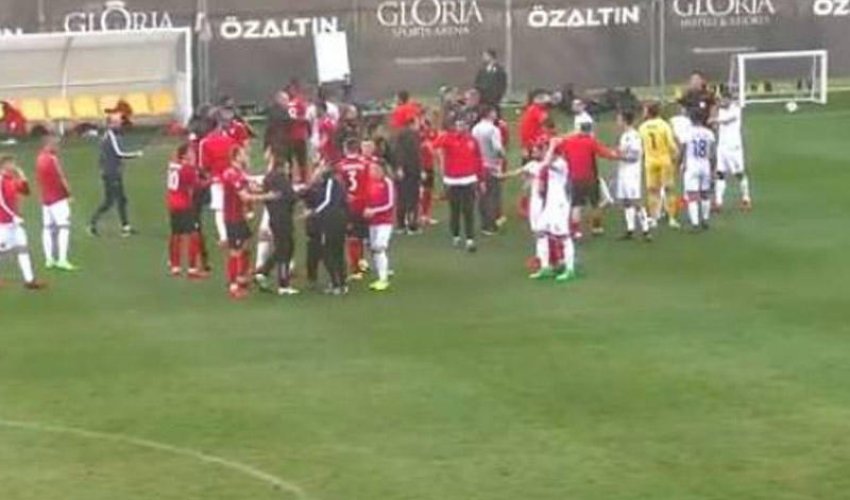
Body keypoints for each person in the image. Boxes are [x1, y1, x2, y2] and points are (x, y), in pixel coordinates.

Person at [553, 123, 619, 239]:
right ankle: (597, 227)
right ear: (590, 131)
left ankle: (576, 230)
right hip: (590, 178)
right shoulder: (591, 142)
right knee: (595, 203)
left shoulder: (569, 142)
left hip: (575, 178)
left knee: (576, 204)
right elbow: (605, 153)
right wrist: (617, 154)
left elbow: (558, 147)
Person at [433, 118, 484, 252]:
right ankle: (455, 235)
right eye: (458, 125)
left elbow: (478, 159)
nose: (461, 127)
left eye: (463, 124)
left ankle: (470, 239)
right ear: (455, 126)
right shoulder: (448, 138)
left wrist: (481, 179)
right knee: (454, 210)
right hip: (453, 181)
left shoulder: (472, 140)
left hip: (469, 179)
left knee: (469, 210)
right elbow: (435, 145)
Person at [88, 113, 143, 237]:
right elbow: (119, 153)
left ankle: (125, 227)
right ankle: (93, 224)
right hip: (111, 173)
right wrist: (136, 154)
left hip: (112, 172)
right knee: (111, 201)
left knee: (120, 200)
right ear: (110, 124)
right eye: (116, 122)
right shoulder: (111, 136)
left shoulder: (109, 135)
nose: (119, 124)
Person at [253, 154, 299, 296]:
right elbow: (291, 197)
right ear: (283, 167)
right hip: (283, 219)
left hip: (274, 217)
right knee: (285, 249)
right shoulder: (282, 179)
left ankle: (263, 272)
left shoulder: (268, 179)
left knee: (282, 248)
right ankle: (283, 284)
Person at [0, 156, 46, 290]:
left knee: (23, 249)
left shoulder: (11, 179)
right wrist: (13, 216)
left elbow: (26, 192)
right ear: (4, 165)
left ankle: (30, 280)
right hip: (4, 224)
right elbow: (1, 202)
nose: (14, 165)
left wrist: (22, 176)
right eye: (11, 163)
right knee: (2, 251)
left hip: (15, 224)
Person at [304, 163, 349, 295]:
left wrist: (313, 212)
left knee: (329, 252)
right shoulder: (322, 185)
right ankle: (341, 283)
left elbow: (328, 201)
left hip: (332, 222)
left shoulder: (331, 183)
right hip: (335, 221)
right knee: (336, 252)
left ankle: (337, 284)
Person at [35, 132, 77, 271]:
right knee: (64, 227)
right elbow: (61, 177)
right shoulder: (52, 159)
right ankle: (62, 259)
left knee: (47, 228)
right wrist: (69, 194)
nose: (58, 147)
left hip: (45, 199)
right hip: (57, 198)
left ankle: (49, 259)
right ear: (49, 144)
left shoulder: (39, 158)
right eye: (56, 144)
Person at [166, 144, 207, 279]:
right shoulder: (188, 169)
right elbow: (197, 185)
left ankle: (175, 266)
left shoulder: (173, 166)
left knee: (175, 234)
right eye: (191, 153)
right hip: (184, 205)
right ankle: (192, 269)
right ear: (184, 155)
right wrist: (211, 180)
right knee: (194, 235)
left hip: (172, 204)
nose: (193, 154)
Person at [639, 102, 681, 229]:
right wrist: (676, 156)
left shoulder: (643, 127)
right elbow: (671, 144)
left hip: (650, 161)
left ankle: (654, 218)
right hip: (664, 160)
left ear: (649, 112)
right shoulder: (664, 125)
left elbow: (641, 145)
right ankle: (672, 218)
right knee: (669, 189)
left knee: (653, 191)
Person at [221, 147, 256, 300]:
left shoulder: (240, 173)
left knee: (246, 244)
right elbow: (244, 196)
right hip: (232, 218)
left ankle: (242, 276)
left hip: (239, 217)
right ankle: (233, 285)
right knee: (235, 251)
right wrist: (266, 196)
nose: (246, 156)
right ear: (236, 157)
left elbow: (250, 185)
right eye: (243, 154)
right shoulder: (231, 174)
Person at [199, 112, 238, 245]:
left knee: (219, 208)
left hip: (216, 179)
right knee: (233, 206)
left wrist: (210, 177)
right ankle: (235, 232)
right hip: (232, 177)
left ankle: (224, 236)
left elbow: (203, 165)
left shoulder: (205, 142)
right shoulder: (229, 140)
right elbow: (236, 158)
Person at [336, 138, 371, 280]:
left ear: (345, 149)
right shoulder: (365, 164)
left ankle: (356, 269)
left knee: (352, 238)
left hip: (349, 206)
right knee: (361, 235)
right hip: (363, 204)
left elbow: (339, 186)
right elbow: (369, 184)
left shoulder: (340, 166)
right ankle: (361, 261)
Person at [711, 92, 752, 211]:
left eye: (725, 100)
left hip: (734, 147)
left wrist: (714, 120)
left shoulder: (736, 109)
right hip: (722, 146)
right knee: (720, 173)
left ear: (730, 100)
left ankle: (746, 199)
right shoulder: (720, 110)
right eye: (722, 100)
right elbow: (716, 126)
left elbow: (727, 120)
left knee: (739, 173)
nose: (723, 102)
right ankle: (718, 202)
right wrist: (715, 113)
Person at [614, 110, 651, 241]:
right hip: (623, 172)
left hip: (632, 173)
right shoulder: (624, 136)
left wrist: (619, 156)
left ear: (625, 120)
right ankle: (630, 229)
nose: (617, 122)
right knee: (626, 201)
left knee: (635, 201)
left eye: (619, 119)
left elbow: (635, 156)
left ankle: (646, 230)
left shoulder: (634, 136)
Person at [471, 105, 506, 235]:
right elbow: (497, 148)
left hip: (479, 166)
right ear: (490, 113)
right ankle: (491, 224)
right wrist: (503, 157)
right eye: (494, 112)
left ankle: (484, 224)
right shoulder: (493, 129)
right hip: (491, 165)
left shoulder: (475, 129)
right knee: (492, 195)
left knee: (482, 195)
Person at [680, 110, 717, 231]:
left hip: (692, 165)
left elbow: (683, 150)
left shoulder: (687, 133)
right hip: (705, 164)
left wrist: (679, 163)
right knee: (705, 193)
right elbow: (713, 154)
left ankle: (695, 223)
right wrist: (713, 169)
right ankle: (705, 219)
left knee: (692, 195)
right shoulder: (709, 133)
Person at [363, 163, 396, 292]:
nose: (373, 172)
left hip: (385, 222)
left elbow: (390, 203)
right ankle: (382, 272)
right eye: (371, 169)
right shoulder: (369, 183)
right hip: (372, 222)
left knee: (379, 247)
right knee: (373, 248)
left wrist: (373, 210)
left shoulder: (387, 183)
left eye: (376, 169)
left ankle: (383, 279)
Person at [392, 117, 423, 234]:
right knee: (412, 198)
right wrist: (420, 170)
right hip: (411, 171)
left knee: (401, 197)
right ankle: (411, 225)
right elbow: (415, 155)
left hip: (403, 171)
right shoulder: (412, 136)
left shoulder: (398, 135)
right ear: (412, 123)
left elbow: (396, 152)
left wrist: (398, 167)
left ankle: (401, 225)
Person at [418, 113, 439, 226]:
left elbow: (434, 147)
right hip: (421, 167)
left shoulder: (431, 133)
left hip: (429, 167)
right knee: (421, 192)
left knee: (428, 192)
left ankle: (426, 215)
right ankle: (419, 215)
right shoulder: (418, 134)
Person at [519, 90, 550, 161]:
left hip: (527, 140)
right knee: (536, 161)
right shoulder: (537, 110)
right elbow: (546, 121)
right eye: (545, 103)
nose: (546, 105)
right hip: (532, 140)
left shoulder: (531, 108)